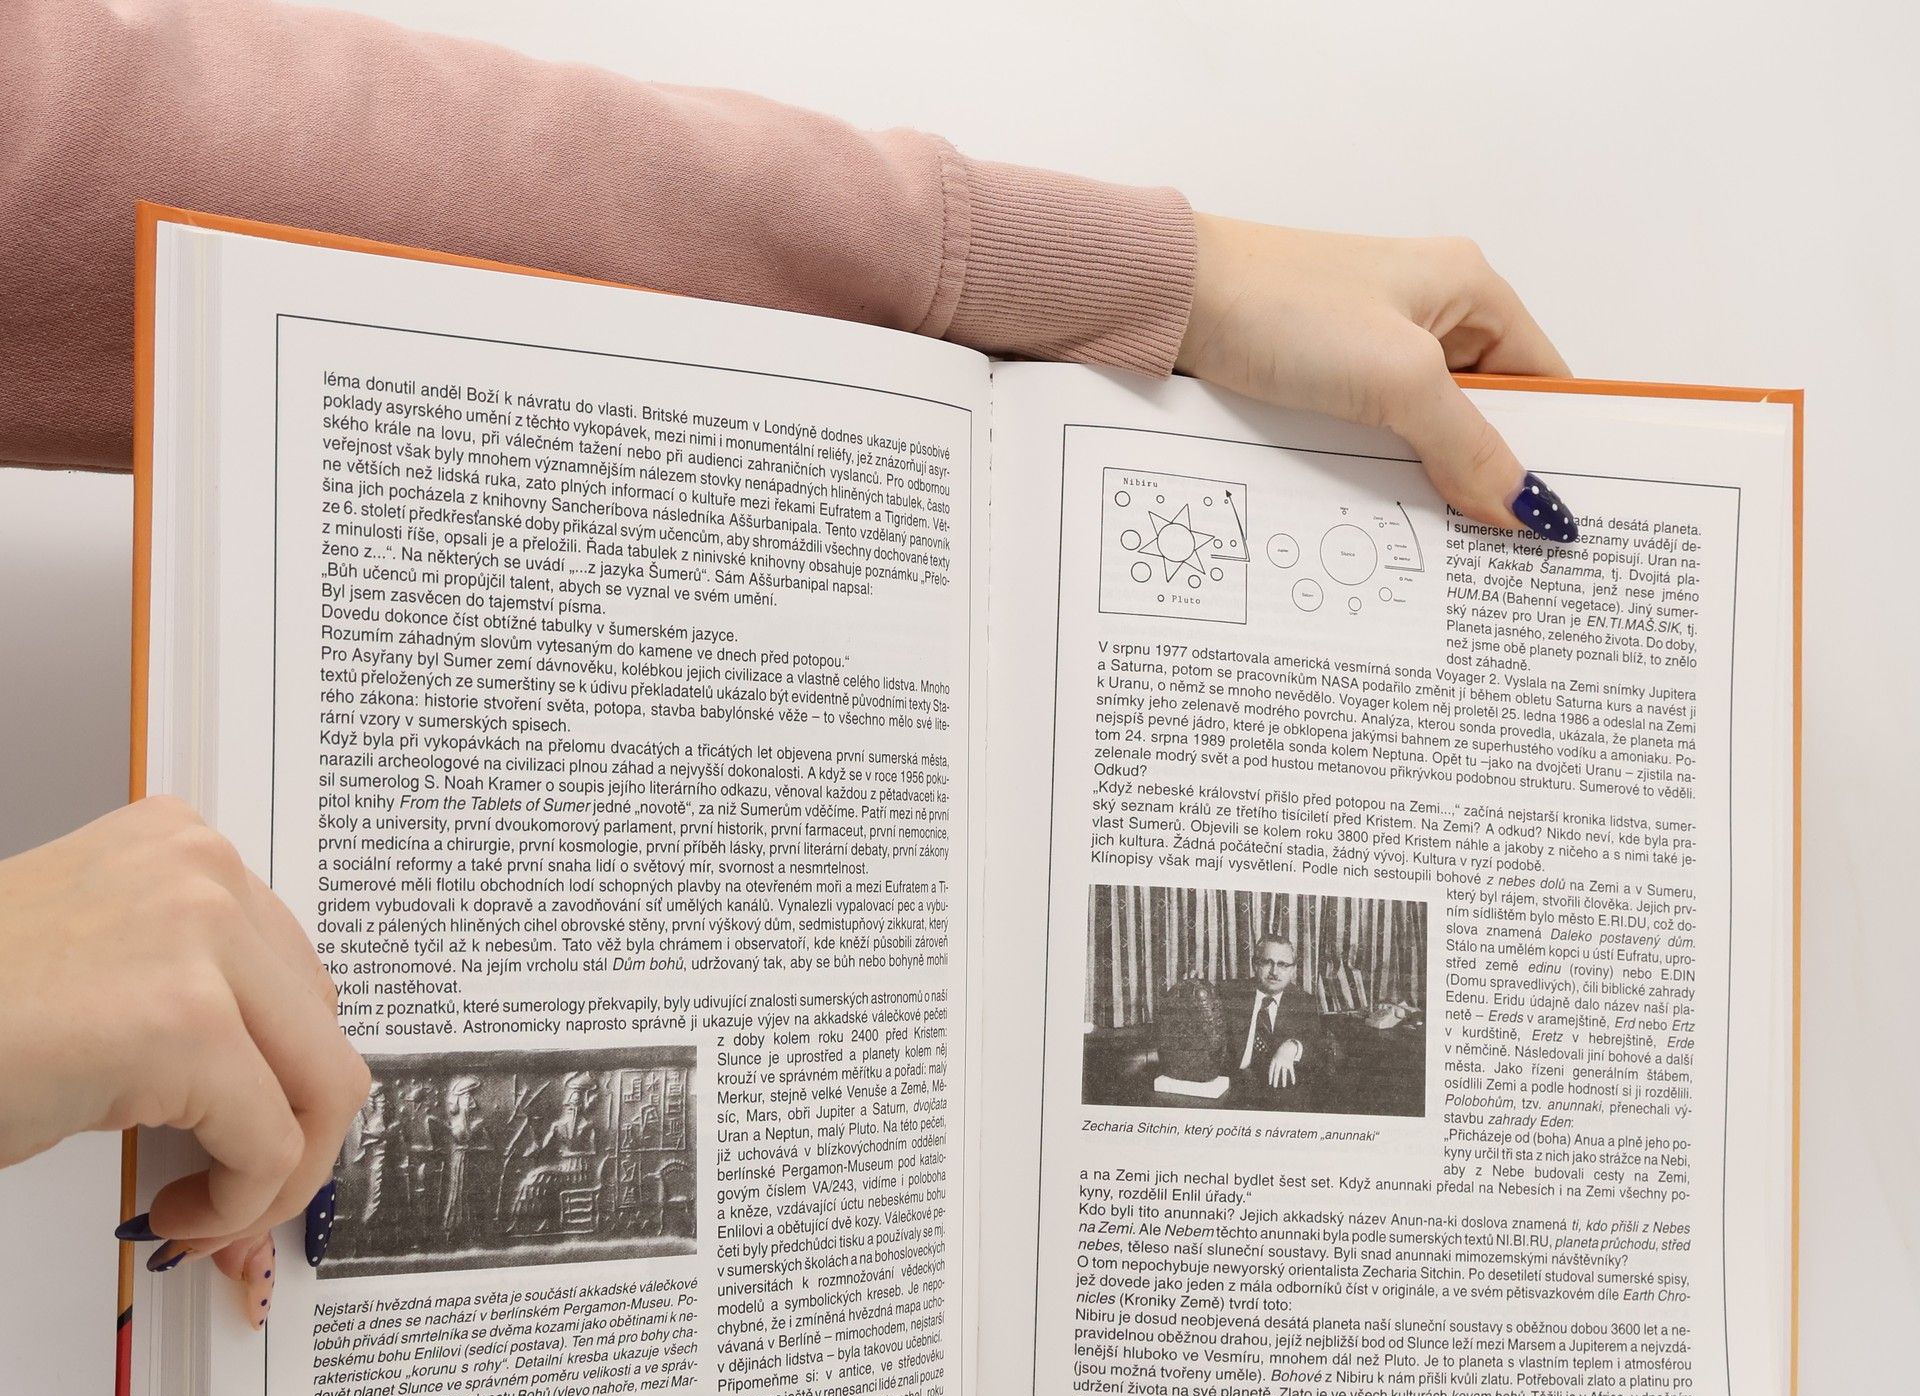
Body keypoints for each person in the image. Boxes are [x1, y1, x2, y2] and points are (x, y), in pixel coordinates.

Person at [0, 0, 1577, 1325]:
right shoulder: (1191, 994)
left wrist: (1158, 273)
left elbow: (100, 147)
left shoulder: (1302, 1016)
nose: (1281, 972)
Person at [1224, 936, 1325, 1107]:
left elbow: (1318, 1047)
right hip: (1230, 1089)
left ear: (1293, 970)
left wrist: (1294, 1046)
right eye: (1267, 962)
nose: (1274, 972)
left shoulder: (1305, 1003)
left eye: (1283, 965)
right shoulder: (1229, 994)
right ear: (1255, 964)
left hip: (1278, 1093)